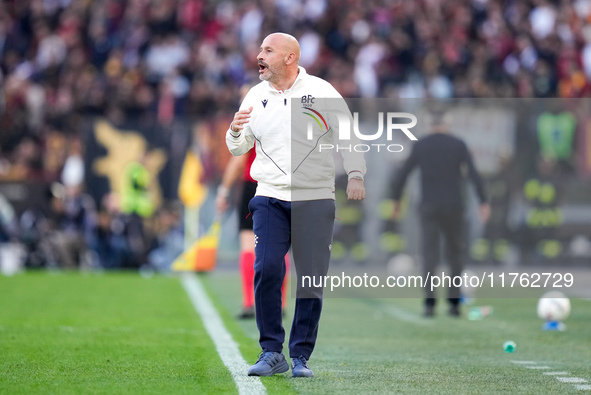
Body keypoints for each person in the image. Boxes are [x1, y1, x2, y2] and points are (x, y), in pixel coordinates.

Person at [226, 32, 366, 377]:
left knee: (311, 278)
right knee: (267, 268)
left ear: (290, 58)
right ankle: (271, 351)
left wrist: (356, 173)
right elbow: (237, 148)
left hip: (315, 198)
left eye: (267, 50)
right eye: (260, 49)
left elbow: (348, 135)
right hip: (269, 196)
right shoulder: (255, 95)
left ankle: (300, 357)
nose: (259, 55)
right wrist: (233, 131)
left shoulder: (321, 91)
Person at [392, 110, 490, 318]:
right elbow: (473, 173)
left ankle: (429, 304)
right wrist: (483, 201)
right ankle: (454, 304)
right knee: (455, 254)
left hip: (428, 206)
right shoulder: (458, 144)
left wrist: (396, 200)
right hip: (454, 205)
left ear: (429, 124)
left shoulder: (421, 145)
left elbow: (403, 174)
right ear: (447, 123)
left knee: (430, 255)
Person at [215, 149, 290, 319]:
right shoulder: (291, 123)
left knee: (248, 243)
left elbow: (239, 161)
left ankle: (249, 302)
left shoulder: (252, 121)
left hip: (254, 186)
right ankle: (280, 302)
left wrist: (223, 191)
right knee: (280, 246)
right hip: (282, 186)